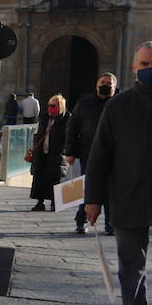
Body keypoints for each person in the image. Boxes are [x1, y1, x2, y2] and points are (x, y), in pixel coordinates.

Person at [84, 41, 152, 305]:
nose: (150, 69)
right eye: (145, 64)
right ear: (134, 68)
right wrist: (93, 199)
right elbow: (100, 156)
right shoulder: (119, 105)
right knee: (131, 269)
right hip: (129, 197)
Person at [64, 73, 117, 235]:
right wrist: (70, 152)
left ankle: (111, 224)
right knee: (87, 188)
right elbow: (72, 128)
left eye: (109, 83)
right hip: (90, 154)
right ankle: (81, 221)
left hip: (115, 156)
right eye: (103, 82)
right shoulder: (84, 103)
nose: (105, 85)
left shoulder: (120, 103)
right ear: (96, 85)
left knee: (111, 191)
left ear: (115, 87)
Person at [28, 94, 69, 213]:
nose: (51, 108)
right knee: (39, 177)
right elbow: (37, 133)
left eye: (54, 106)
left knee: (54, 179)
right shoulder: (44, 117)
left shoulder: (67, 119)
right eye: (49, 105)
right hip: (42, 153)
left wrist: (66, 150)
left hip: (57, 154)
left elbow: (69, 136)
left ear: (60, 106)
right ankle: (40, 202)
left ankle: (54, 203)